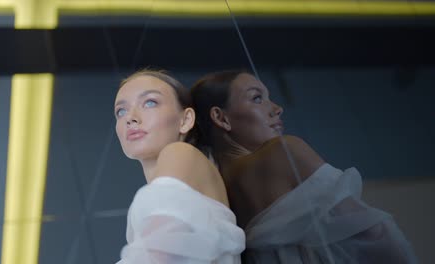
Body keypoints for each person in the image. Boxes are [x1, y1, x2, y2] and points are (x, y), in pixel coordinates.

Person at [190, 70, 417, 263]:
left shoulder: (210, 194)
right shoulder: (283, 151)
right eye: (257, 98)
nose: (277, 108)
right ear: (221, 118)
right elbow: (375, 234)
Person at [114, 70, 245, 264]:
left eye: (150, 102)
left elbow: (161, 254)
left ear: (185, 120)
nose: (130, 118)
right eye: (121, 111)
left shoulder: (179, 152)